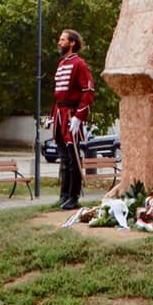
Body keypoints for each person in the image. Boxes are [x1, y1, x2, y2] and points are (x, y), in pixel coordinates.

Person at [51, 29, 95, 210]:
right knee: (63, 157)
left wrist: (79, 116)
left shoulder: (79, 64)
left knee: (73, 157)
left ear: (72, 43)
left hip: (71, 115)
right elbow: (58, 94)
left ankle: (73, 197)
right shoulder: (62, 63)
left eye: (62, 40)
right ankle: (63, 195)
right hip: (60, 114)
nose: (59, 42)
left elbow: (88, 91)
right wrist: (52, 116)